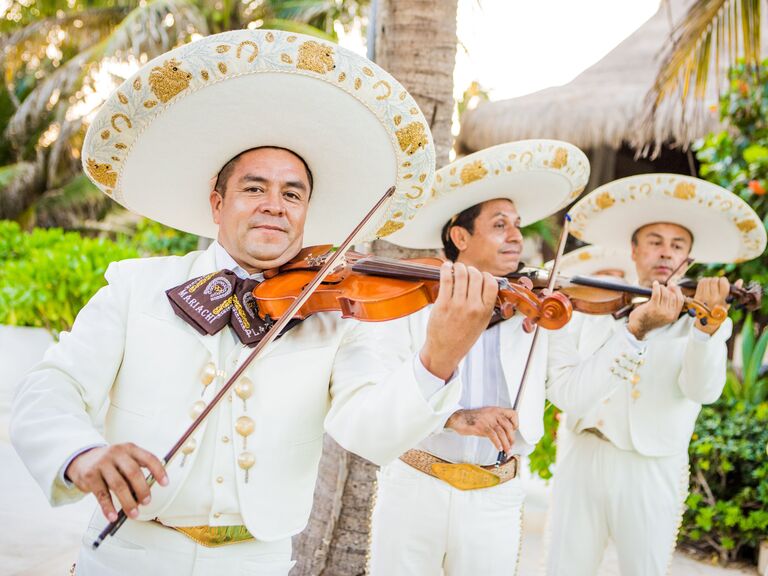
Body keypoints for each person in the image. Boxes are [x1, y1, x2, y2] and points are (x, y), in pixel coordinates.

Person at [10, 29, 498, 576]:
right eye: (254, 188)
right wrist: (83, 455)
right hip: (129, 556)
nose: (274, 205)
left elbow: (370, 432)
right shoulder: (136, 287)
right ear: (217, 204)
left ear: (307, 212)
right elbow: (49, 389)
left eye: (292, 193)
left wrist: (440, 358)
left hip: (257, 563)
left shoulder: (337, 317)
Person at [368, 140, 590, 575]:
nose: (516, 236)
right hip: (416, 484)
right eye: (500, 224)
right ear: (460, 236)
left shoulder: (535, 305)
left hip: (495, 495)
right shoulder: (412, 301)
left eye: (517, 225)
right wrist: (455, 416)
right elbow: (381, 387)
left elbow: (569, 389)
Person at [545, 173, 766, 576]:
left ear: (689, 259)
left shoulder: (706, 319)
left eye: (677, 245)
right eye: (655, 242)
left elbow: (703, 390)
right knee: (564, 566)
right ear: (633, 248)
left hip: (651, 462)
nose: (666, 253)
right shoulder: (596, 298)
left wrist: (706, 332)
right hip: (583, 451)